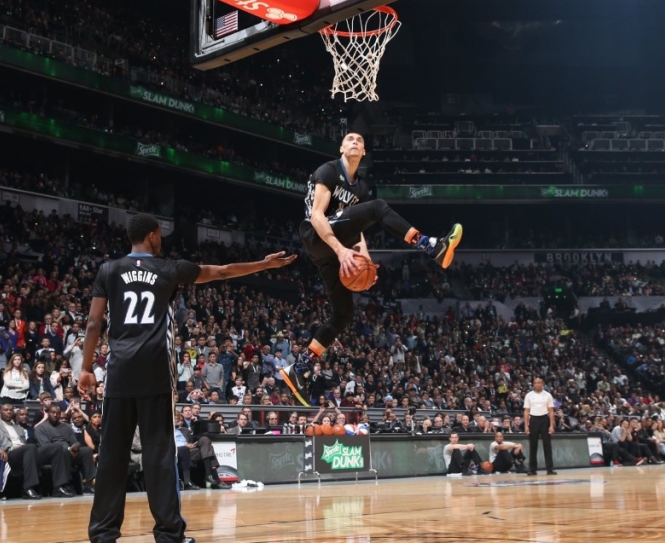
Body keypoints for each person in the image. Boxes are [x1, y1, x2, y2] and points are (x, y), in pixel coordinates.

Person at [78, 213, 295, 543]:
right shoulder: (168, 269)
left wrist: (85, 367)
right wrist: (263, 265)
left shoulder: (109, 270)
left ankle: (103, 534)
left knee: (112, 455)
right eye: (159, 235)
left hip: (119, 372)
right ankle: (168, 535)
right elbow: (221, 272)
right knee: (159, 454)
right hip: (154, 372)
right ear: (152, 236)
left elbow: (94, 324)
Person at [278, 132, 463, 407]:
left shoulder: (361, 187)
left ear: (364, 152)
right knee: (377, 208)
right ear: (341, 147)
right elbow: (317, 216)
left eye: (360, 141)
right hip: (316, 235)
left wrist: (365, 258)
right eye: (349, 139)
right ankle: (430, 245)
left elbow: (356, 229)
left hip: (332, 249)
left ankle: (300, 368)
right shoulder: (328, 171)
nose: (354, 142)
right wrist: (342, 252)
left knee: (344, 314)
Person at [0, 404, 43, 499]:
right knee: (30, 448)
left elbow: (24, 443)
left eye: (10, 410)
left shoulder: (18, 427)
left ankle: (60, 486)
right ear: (0, 412)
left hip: (23, 451)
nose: (8, 412)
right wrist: (12, 448)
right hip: (8, 453)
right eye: (5, 410)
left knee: (54, 448)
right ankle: (28, 488)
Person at [523, 377, 556, 476]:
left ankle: (549, 469)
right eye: (535, 382)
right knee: (533, 445)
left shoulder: (548, 395)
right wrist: (526, 425)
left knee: (547, 445)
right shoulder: (529, 395)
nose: (537, 384)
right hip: (533, 420)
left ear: (542, 384)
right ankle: (532, 469)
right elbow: (526, 411)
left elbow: (551, 411)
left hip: (544, 420)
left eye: (539, 382)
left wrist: (551, 425)